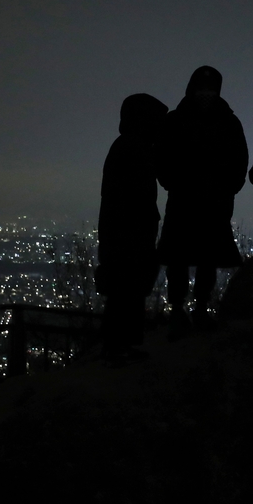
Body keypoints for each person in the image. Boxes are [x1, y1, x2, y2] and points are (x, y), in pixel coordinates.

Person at [157, 66, 248, 336]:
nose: (206, 94)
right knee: (182, 257)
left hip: (206, 202)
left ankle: (194, 309)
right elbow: (162, 157)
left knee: (198, 257)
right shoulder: (218, 121)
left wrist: (228, 188)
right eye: (203, 88)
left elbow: (239, 160)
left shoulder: (224, 122)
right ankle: (181, 310)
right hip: (193, 201)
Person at [95, 93, 168, 361]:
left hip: (126, 233)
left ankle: (120, 346)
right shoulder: (133, 149)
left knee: (126, 291)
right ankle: (118, 347)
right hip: (129, 235)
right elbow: (130, 198)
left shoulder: (129, 146)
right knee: (126, 291)